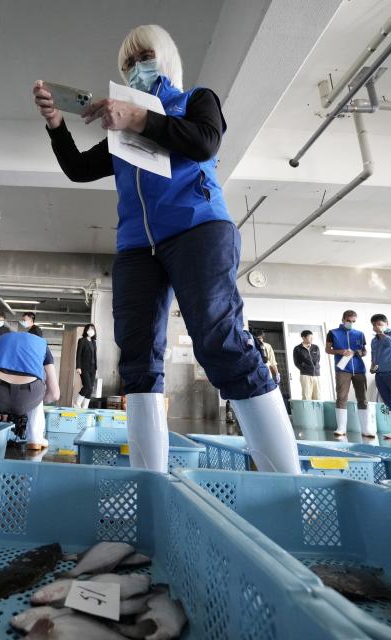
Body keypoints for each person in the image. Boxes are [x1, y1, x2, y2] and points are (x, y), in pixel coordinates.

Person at [33, 24, 299, 473]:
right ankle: (149, 483)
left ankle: (288, 485)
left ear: (166, 57)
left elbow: (204, 141)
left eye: (144, 57)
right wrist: (57, 125)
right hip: (137, 246)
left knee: (220, 342)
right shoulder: (118, 130)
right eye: (128, 63)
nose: (137, 68)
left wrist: (138, 118)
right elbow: (79, 169)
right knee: (135, 359)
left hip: (198, 229)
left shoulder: (195, 100)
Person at [325, 310, 372, 437]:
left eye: (353, 321)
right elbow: (327, 349)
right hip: (342, 370)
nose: (351, 323)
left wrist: (357, 353)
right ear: (343, 319)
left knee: (362, 399)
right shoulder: (333, 333)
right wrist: (340, 352)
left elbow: (365, 351)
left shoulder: (360, 334)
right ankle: (341, 428)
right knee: (341, 397)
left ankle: (365, 429)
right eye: (349, 321)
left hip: (359, 370)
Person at [292, 330, 321, 400]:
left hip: (316, 375)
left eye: (312, 337)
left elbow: (318, 359)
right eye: (309, 337)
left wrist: (316, 368)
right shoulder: (297, 349)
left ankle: (317, 411)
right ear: (303, 338)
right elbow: (297, 362)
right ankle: (308, 411)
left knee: (317, 396)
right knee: (306, 396)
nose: (312, 339)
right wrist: (305, 368)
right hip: (305, 375)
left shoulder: (316, 347)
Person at [74, 324, 98, 408]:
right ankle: (77, 404)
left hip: (93, 368)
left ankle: (85, 406)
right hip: (84, 368)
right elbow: (78, 355)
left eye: (92, 329)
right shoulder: (82, 340)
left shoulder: (94, 342)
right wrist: (78, 367)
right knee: (87, 386)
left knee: (90, 389)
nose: (91, 330)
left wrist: (96, 367)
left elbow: (94, 356)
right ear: (86, 330)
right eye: (89, 329)